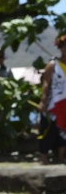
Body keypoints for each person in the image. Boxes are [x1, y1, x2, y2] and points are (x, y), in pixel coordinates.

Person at [37, 34, 66, 164]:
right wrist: (42, 101)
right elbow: (46, 83)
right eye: (64, 46)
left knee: (64, 129)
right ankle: (43, 156)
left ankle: (61, 156)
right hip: (53, 103)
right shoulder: (52, 64)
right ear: (60, 48)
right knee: (49, 128)